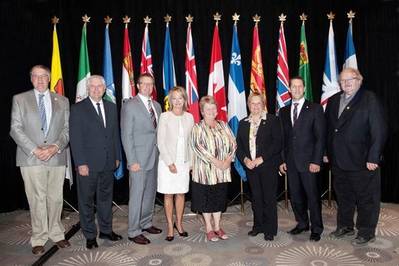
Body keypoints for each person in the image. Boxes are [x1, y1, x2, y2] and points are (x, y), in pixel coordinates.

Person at [10, 65, 71, 255]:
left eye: (44, 76)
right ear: (31, 79)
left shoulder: (62, 100)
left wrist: (55, 147)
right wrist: (35, 149)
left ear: (50, 78)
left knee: (55, 197)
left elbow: (67, 130)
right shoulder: (20, 99)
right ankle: (39, 237)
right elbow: (15, 129)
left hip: (56, 156)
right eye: (36, 76)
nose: (40, 80)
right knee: (37, 199)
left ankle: (56, 233)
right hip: (31, 158)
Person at [325, 67, 387, 246]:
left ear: (359, 80)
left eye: (350, 80)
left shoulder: (369, 99)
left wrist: (373, 157)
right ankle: (345, 226)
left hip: (362, 161)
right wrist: (326, 153)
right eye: (343, 81)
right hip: (338, 160)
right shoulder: (334, 100)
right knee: (344, 197)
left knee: (366, 199)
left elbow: (379, 130)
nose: (346, 84)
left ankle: (366, 232)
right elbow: (330, 130)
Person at [69, 75, 122, 249]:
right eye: (93, 86)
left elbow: (115, 135)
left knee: (105, 199)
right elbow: (75, 139)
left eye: (100, 86)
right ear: (88, 89)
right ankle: (90, 235)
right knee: (86, 201)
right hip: (88, 165)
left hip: (108, 163)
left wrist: (117, 157)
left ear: (105, 89)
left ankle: (106, 230)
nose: (96, 89)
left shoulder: (112, 107)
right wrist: (81, 163)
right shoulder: (78, 109)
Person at [279, 76, 326, 242]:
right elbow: (283, 139)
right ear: (289, 89)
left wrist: (316, 161)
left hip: (309, 163)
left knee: (313, 197)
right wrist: (282, 160)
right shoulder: (283, 111)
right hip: (291, 163)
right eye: (294, 86)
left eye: (300, 86)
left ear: (304, 89)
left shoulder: (315, 108)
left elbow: (320, 138)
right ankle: (302, 223)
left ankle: (317, 228)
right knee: (296, 196)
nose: (297, 89)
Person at [121, 73, 163, 245]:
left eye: (150, 84)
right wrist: (132, 161)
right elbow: (126, 134)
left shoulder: (157, 105)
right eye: (144, 84)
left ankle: (146, 223)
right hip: (138, 159)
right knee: (137, 195)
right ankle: (133, 230)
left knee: (150, 193)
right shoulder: (130, 105)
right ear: (138, 85)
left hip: (154, 157)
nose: (147, 87)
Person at [236, 92, 282, 241]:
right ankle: (258, 226)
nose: (255, 106)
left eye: (258, 103)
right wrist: (245, 160)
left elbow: (277, 144)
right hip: (251, 168)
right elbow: (239, 147)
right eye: (252, 103)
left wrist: (261, 159)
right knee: (256, 198)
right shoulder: (243, 123)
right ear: (248, 105)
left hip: (268, 166)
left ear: (263, 104)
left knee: (269, 198)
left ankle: (270, 229)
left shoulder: (273, 120)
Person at [190, 96, 236, 242]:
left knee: (218, 198)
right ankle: (209, 228)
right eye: (207, 108)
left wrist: (228, 160)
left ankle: (217, 227)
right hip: (205, 171)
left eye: (213, 108)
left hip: (222, 171)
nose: (211, 111)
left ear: (217, 110)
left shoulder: (223, 125)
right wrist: (217, 162)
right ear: (202, 111)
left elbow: (233, 143)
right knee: (206, 199)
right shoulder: (197, 128)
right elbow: (198, 147)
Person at [157, 86, 194, 241]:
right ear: (170, 100)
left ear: (184, 100)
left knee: (181, 193)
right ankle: (170, 227)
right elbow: (160, 142)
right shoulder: (164, 116)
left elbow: (192, 142)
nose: (177, 101)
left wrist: (191, 163)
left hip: (184, 162)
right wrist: (169, 162)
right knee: (168, 194)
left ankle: (179, 224)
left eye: (181, 98)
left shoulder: (190, 117)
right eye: (174, 98)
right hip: (167, 163)